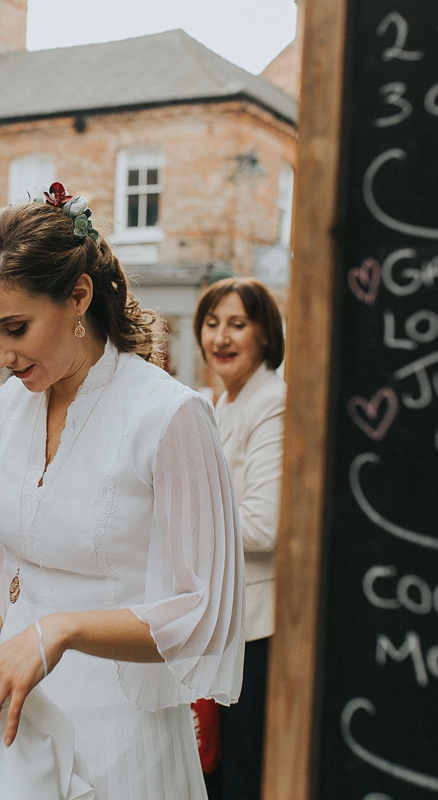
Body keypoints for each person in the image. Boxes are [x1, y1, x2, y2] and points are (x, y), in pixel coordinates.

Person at [0, 185, 244, 799]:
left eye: (14, 328)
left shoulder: (171, 415)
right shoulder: (6, 411)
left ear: (79, 297)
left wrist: (60, 631)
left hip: (122, 733)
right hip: (11, 726)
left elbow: (200, 612)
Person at [195, 277, 286, 800]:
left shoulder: (270, 403)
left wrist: (183, 518)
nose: (221, 338)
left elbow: (262, 526)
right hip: (221, 623)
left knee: (241, 778)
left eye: (237, 324)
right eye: (211, 324)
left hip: (255, 629)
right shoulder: (224, 403)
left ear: (265, 335)